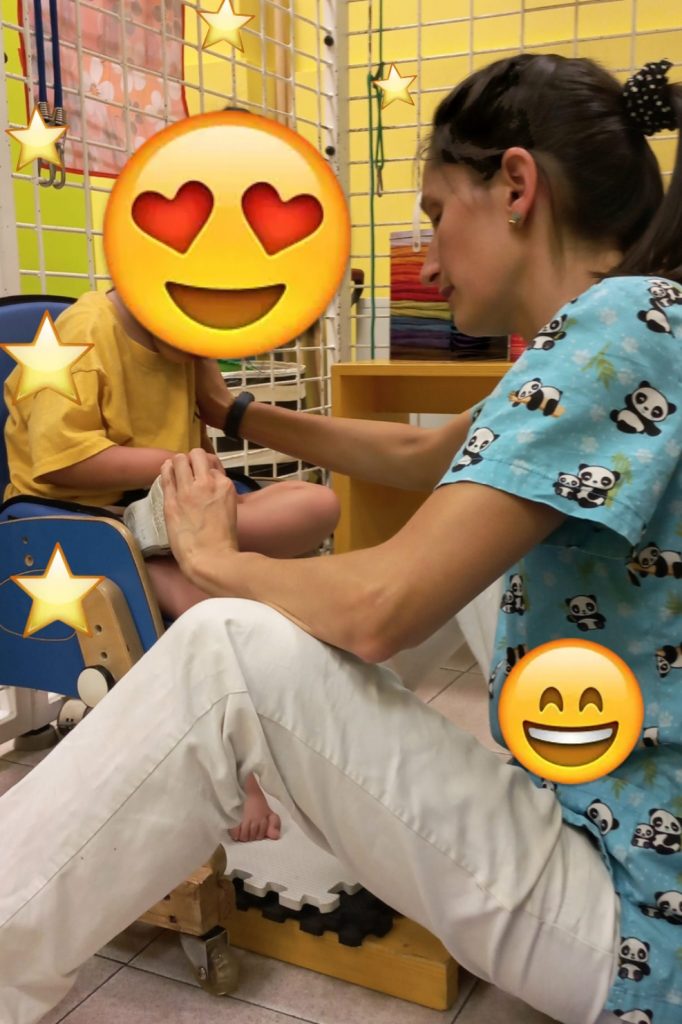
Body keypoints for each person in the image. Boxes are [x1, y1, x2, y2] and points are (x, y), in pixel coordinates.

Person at [1, 52, 681, 1024]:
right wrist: (236, 411)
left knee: (228, 656)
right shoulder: (631, 327)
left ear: (516, 187)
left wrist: (215, 560)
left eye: (435, 214)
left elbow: (379, 608)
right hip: (624, 848)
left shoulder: (616, 329)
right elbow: (425, 455)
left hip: (641, 920)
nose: (428, 260)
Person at [2, 287, 340, 844]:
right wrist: (177, 466)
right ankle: (240, 772)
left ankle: (178, 544)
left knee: (318, 503)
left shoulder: (179, 346)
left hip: (166, 510)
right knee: (210, 609)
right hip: (81, 526)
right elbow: (59, 462)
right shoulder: (80, 333)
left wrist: (201, 480)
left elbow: (200, 439)